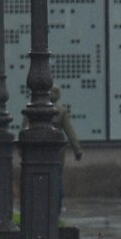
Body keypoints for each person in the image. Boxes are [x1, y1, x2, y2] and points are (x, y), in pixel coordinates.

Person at [50, 85, 83, 219]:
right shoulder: (61, 111)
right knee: (57, 179)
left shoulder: (34, 109)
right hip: (57, 151)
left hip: (37, 152)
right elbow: (70, 132)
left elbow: (25, 128)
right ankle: (56, 210)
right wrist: (77, 150)